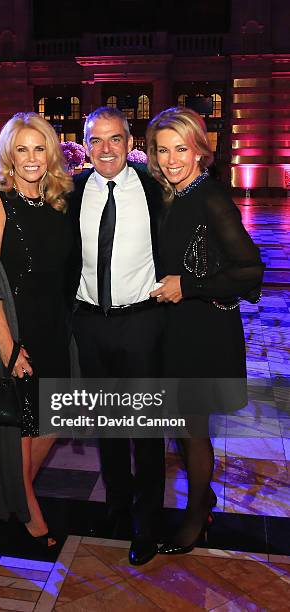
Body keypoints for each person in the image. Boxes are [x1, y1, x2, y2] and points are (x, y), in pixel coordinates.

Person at [146, 106, 264, 554]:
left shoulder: (211, 197)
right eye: (163, 150)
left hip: (204, 329)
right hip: (171, 327)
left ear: (200, 150)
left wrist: (189, 285)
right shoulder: (166, 196)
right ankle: (203, 497)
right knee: (181, 422)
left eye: (182, 148)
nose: (173, 159)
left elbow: (251, 270)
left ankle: (196, 515)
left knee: (193, 427)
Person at [68, 106, 166, 566]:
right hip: (90, 321)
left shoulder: (154, 189)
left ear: (130, 143)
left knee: (145, 429)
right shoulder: (69, 192)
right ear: (85, 145)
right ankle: (117, 506)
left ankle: (148, 523)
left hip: (142, 320)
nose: (105, 149)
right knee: (108, 425)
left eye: (115, 139)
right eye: (95, 140)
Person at [0, 112, 73, 547]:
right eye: (21, 149)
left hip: (56, 329)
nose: (31, 158)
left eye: (38, 148)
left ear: (50, 152)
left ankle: (13, 492)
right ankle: (31, 516)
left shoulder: (58, 203)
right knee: (22, 426)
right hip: (15, 332)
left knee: (52, 422)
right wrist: (9, 347)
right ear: (8, 156)